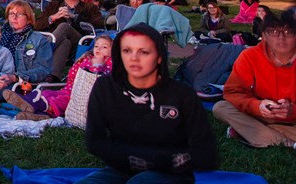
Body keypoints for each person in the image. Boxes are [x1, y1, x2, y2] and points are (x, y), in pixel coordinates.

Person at [78, 24, 217, 184]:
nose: (134, 58)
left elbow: (205, 152)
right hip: (121, 168)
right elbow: (94, 141)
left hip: (170, 172)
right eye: (127, 51)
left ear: (159, 57)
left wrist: (156, 161)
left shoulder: (182, 95)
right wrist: (130, 159)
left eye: (143, 52)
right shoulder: (105, 87)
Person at [212, 10, 296, 147]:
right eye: (274, 32)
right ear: (264, 36)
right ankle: (287, 143)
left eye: (288, 32)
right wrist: (257, 106)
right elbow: (232, 92)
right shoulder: (249, 56)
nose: (281, 38)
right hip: (256, 113)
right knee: (221, 107)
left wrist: (291, 111)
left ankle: (249, 133)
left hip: (292, 119)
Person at [4, 35, 113, 120]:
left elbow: (99, 80)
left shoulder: (111, 63)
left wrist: (97, 66)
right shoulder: (85, 59)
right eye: (96, 46)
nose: (99, 49)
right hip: (70, 89)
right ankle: (36, 112)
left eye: (104, 47)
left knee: (62, 100)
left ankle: (32, 105)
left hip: (84, 97)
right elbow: (71, 77)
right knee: (47, 93)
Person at [35, 0, 103, 82]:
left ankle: (39, 53)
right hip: (61, 44)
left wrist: (74, 16)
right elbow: (36, 25)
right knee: (65, 42)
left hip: (80, 43)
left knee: (64, 26)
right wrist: (53, 17)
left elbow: (99, 26)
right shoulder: (53, 6)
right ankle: (53, 77)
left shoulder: (89, 7)